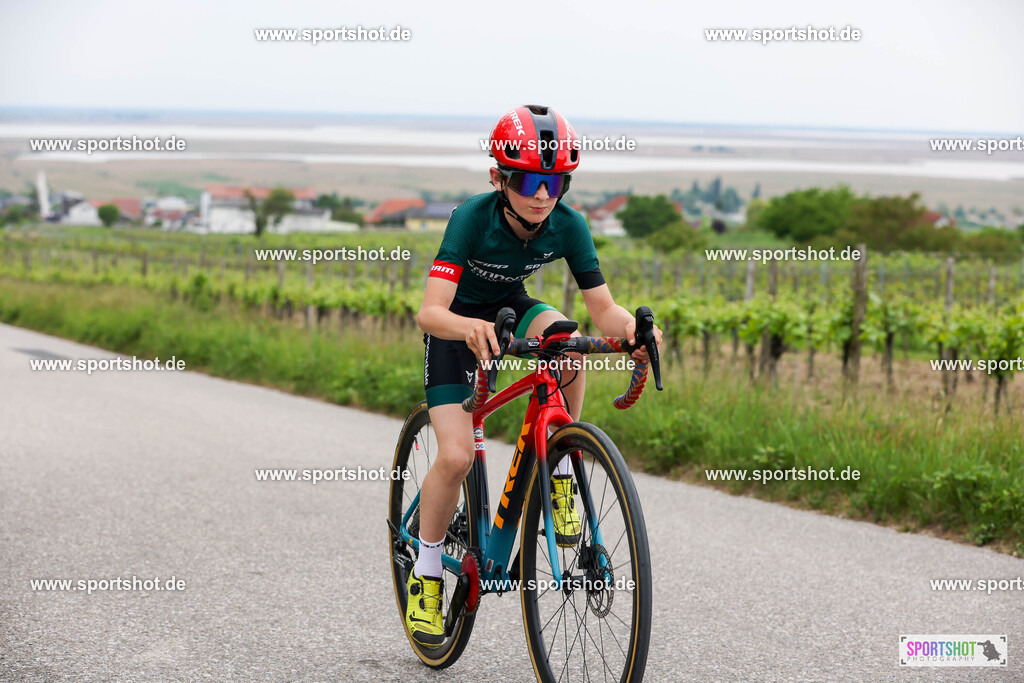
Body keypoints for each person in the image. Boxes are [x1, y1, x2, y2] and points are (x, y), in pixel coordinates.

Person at [407, 104, 662, 646]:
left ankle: (562, 462)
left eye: (556, 182)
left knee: (567, 344)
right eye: (528, 181)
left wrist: (634, 332)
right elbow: (429, 312)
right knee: (455, 457)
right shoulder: (472, 217)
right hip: (455, 328)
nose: (543, 195)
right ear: (498, 178)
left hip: (510, 309)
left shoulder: (568, 225)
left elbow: (603, 309)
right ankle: (426, 574)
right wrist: (468, 328)